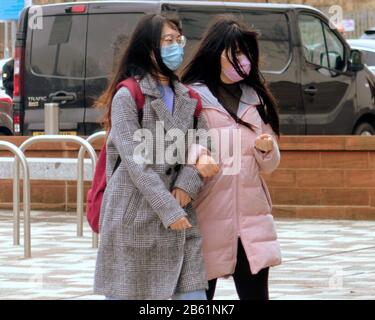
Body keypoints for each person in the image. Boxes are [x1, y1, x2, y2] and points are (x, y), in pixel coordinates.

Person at [93, 14, 218, 300]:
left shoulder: (189, 97)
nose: (176, 47)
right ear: (148, 47)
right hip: (135, 216)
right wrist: (169, 209)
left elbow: (203, 141)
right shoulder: (128, 95)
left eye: (179, 40)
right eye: (168, 41)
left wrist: (187, 183)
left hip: (182, 214)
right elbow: (136, 163)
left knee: (193, 297)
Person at [182, 15, 282, 300]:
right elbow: (177, 145)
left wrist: (267, 150)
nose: (243, 59)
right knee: (199, 300)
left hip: (252, 218)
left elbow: (271, 165)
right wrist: (198, 156)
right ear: (216, 53)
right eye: (235, 52)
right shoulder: (192, 97)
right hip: (208, 213)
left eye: (246, 52)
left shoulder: (256, 99)